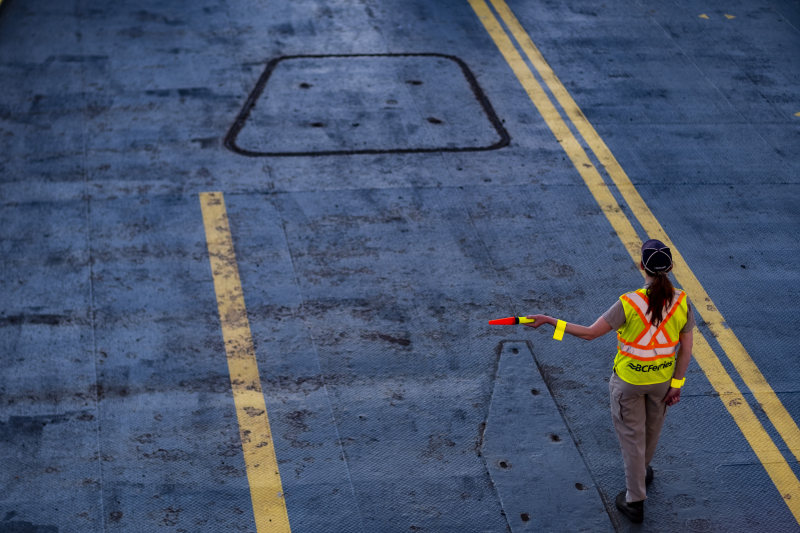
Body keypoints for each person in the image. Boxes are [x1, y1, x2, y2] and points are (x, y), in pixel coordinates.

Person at [524, 239, 695, 523]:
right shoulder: (682, 301)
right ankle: (643, 471)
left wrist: (550, 320)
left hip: (628, 383)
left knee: (632, 439)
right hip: (663, 381)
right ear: (671, 268)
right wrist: (677, 385)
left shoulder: (629, 303)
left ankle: (635, 501)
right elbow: (686, 350)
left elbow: (590, 333)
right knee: (652, 431)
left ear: (642, 266)